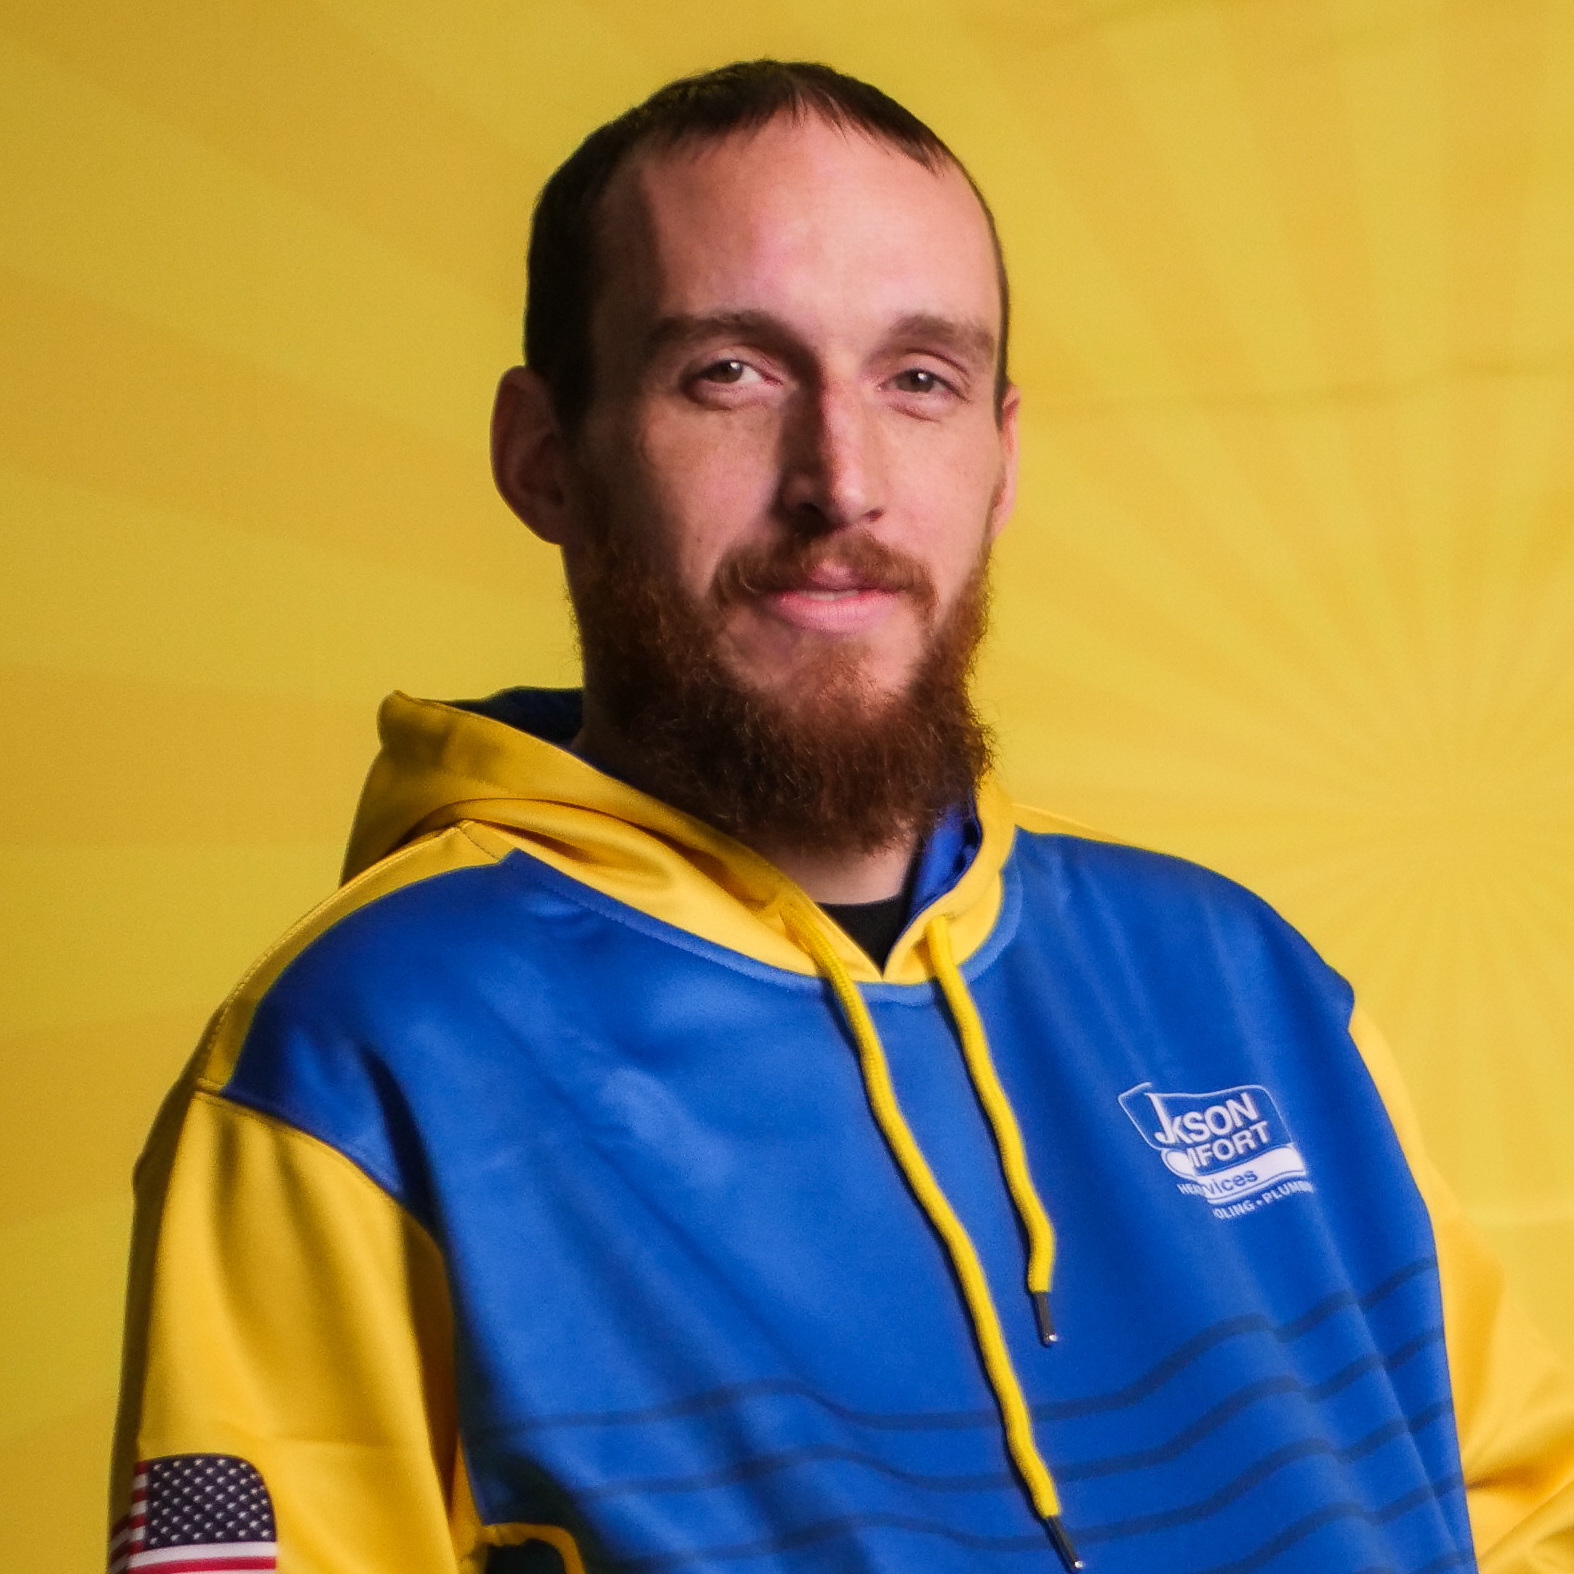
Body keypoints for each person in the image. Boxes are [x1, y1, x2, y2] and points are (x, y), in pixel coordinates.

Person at [109, 60, 1574, 1574]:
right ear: (547, 456)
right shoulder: (356, 1059)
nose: (843, 481)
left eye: (917, 379)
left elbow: (1524, 1513)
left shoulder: (1247, 982)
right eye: (731, 373)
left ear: (1000, 456)